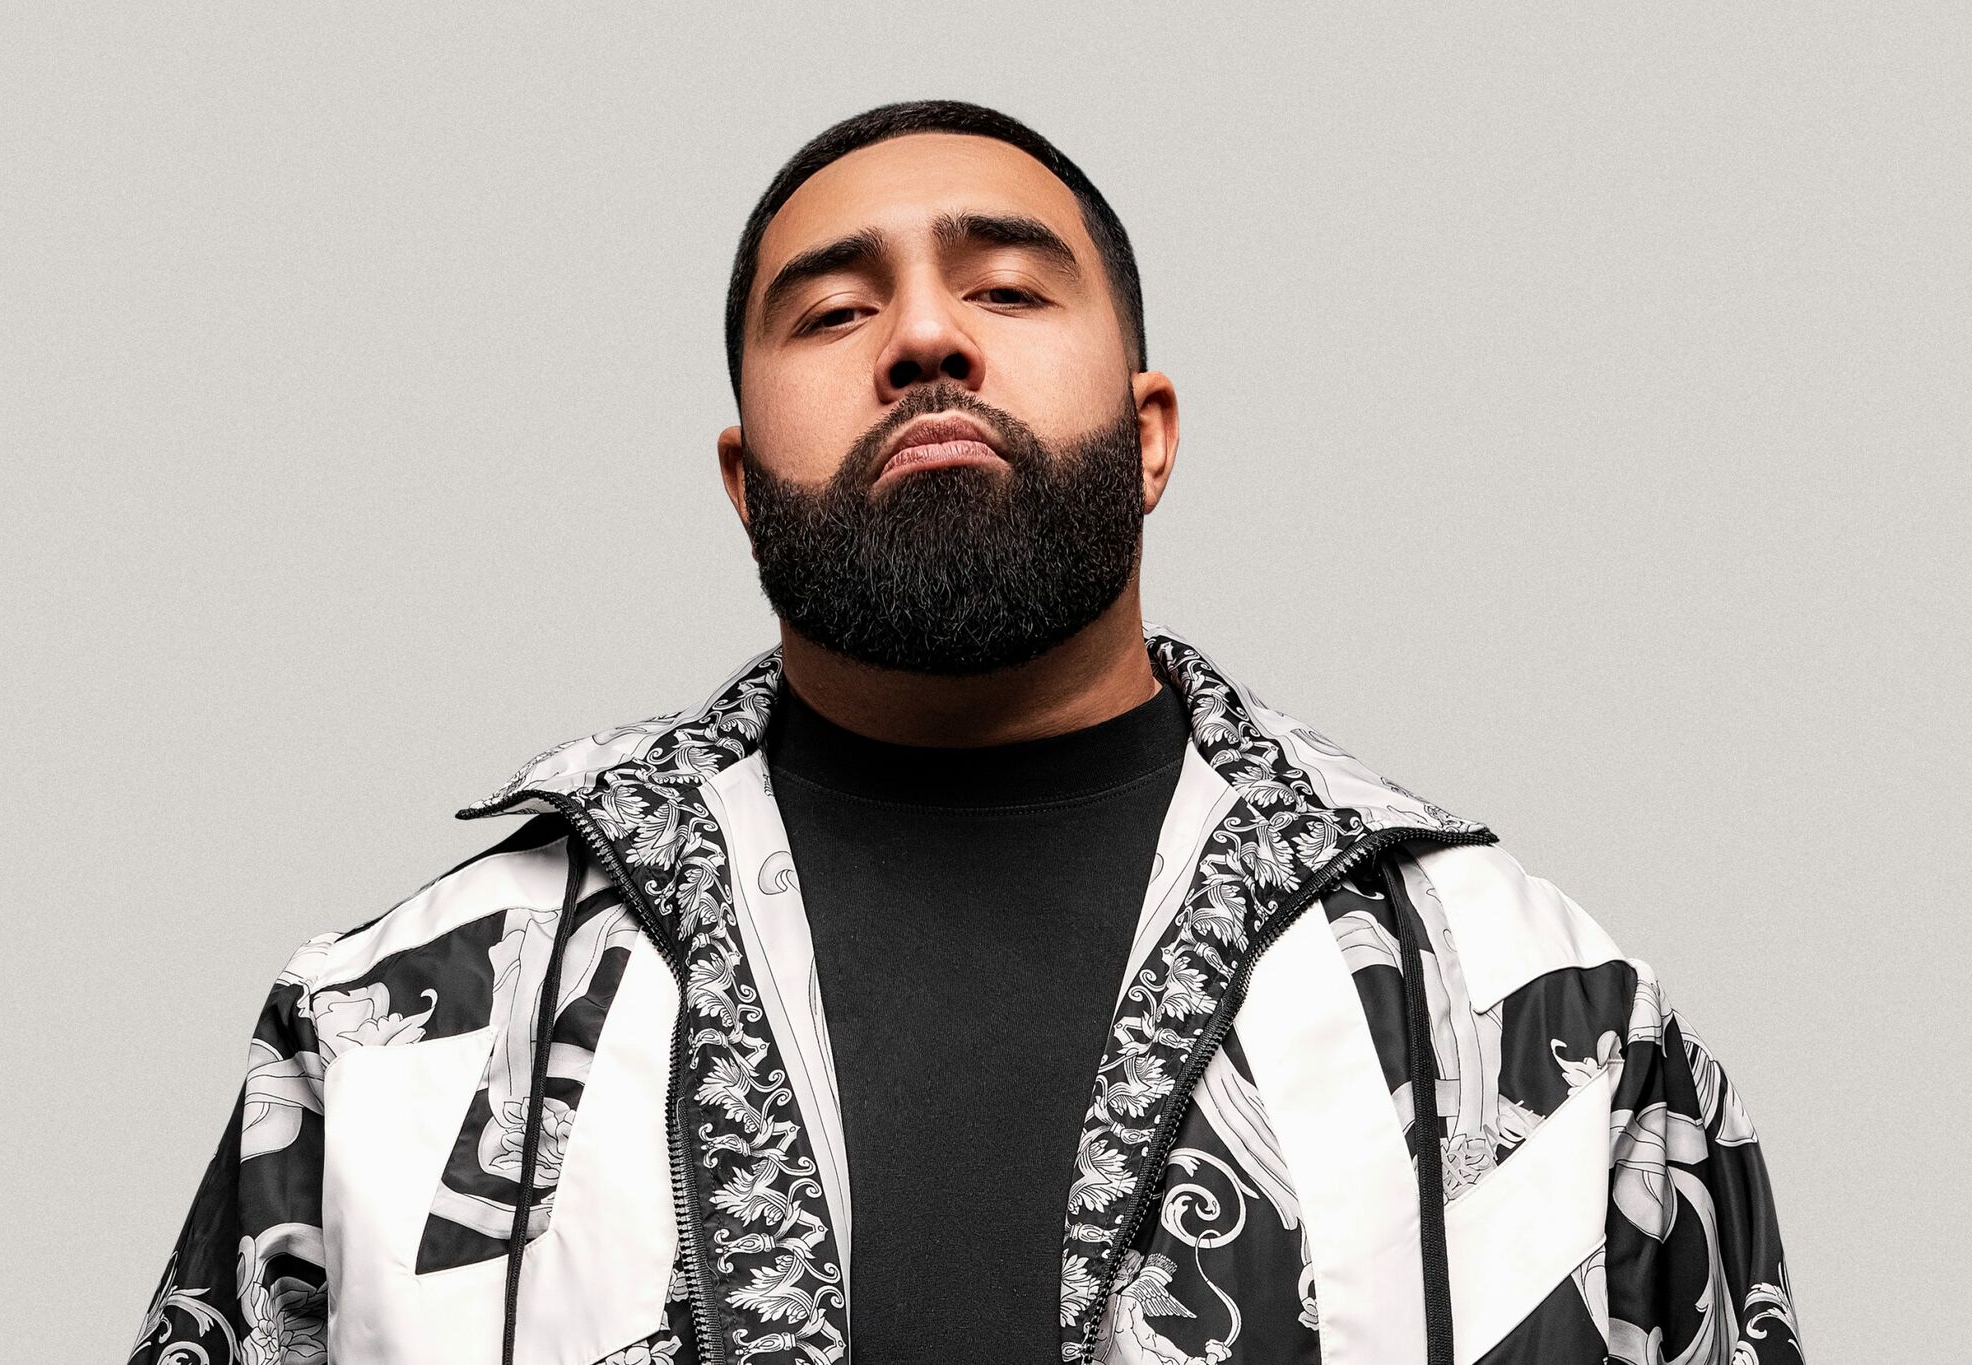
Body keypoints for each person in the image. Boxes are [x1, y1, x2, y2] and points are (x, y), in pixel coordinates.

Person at [130, 99, 1804, 1365]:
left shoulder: (1549, 1028)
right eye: (832, 312)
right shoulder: (396, 1043)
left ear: (1150, 433)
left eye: (1005, 285)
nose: (926, 336)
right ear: (743, 481)